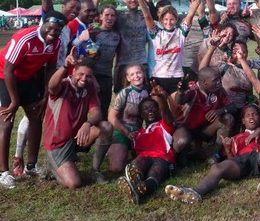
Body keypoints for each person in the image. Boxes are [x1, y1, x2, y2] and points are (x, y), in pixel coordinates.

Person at [0, 11, 67, 188]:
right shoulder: (25, 37)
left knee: (36, 117)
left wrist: (46, 95)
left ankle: (31, 165)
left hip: (27, 79)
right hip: (5, 77)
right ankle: (4, 172)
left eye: (58, 30)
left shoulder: (56, 42)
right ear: (43, 23)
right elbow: (8, 70)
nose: (53, 33)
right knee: (6, 122)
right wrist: (14, 101)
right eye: (51, 29)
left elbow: (50, 68)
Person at [165, 104, 260, 203]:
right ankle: (196, 192)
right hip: (243, 162)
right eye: (247, 115)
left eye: (254, 114)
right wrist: (228, 150)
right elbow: (234, 159)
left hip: (259, 157)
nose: (251, 117)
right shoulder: (236, 138)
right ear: (243, 121)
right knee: (216, 167)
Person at [43, 49, 113, 188]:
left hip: (76, 138)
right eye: (81, 74)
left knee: (106, 127)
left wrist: (87, 123)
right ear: (73, 71)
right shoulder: (62, 86)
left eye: (88, 76)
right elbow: (51, 86)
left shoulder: (89, 88)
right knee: (74, 183)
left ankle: (95, 171)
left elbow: (97, 113)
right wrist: (64, 66)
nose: (84, 78)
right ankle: (52, 167)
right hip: (57, 144)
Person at [117, 81, 175, 204]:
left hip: (162, 158)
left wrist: (161, 99)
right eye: (146, 108)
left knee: (156, 171)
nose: (150, 110)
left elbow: (167, 115)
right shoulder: (137, 134)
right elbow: (135, 153)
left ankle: (142, 189)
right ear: (141, 115)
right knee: (138, 161)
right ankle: (136, 183)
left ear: (158, 110)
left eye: (153, 107)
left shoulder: (163, 125)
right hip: (144, 158)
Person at [172, 67, 237, 165]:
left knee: (228, 118)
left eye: (219, 78)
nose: (219, 82)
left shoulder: (218, 90)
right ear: (204, 82)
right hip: (186, 129)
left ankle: (214, 154)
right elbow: (179, 100)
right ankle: (174, 157)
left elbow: (232, 107)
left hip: (205, 129)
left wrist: (220, 111)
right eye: (215, 80)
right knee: (181, 146)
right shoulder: (192, 89)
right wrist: (180, 92)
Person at [107, 64, 149, 173]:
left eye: (138, 72)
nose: (136, 76)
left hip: (138, 132)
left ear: (143, 74)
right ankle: (113, 148)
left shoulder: (148, 92)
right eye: (132, 74)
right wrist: (126, 132)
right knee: (116, 168)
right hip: (121, 132)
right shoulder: (124, 93)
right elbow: (111, 117)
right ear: (128, 78)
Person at [113, 0, 149, 94]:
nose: (133, 0)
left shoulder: (146, 17)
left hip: (141, 63)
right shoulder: (118, 17)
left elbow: (155, 11)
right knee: (120, 97)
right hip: (123, 64)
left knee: (144, 97)